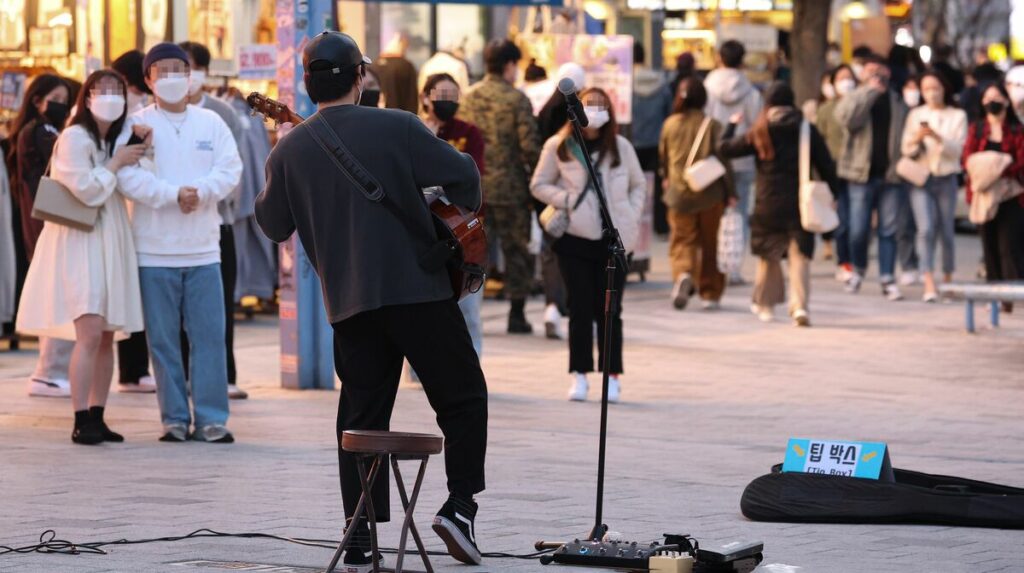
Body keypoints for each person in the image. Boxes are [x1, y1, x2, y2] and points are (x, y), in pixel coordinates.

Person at [255, 32, 488, 569]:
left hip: (351, 302)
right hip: (420, 292)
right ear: (359, 77)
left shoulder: (290, 148)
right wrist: (444, 213)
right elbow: (465, 175)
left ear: (308, 83)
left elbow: (272, 224)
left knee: (361, 419)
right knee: (461, 396)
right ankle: (459, 507)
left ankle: (359, 532)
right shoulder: (399, 125)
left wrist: (279, 155)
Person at [116, 42, 242, 444]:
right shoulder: (135, 125)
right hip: (153, 251)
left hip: (204, 249)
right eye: (162, 70)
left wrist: (200, 192)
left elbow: (231, 168)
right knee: (164, 341)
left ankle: (211, 418)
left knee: (209, 338)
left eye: (179, 69)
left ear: (190, 76)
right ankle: (173, 418)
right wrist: (173, 195)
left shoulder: (211, 123)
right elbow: (128, 177)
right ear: (148, 78)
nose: (172, 77)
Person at [16, 70, 147, 444]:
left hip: (108, 237)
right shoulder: (74, 137)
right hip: (80, 239)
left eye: (117, 91)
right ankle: (79, 417)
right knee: (89, 331)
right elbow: (85, 191)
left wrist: (129, 153)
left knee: (106, 334)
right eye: (101, 90)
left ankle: (97, 414)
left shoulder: (114, 140)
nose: (110, 97)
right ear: (86, 97)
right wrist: (117, 163)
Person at [531, 87, 645, 403]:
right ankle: (579, 375)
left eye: (600, 105)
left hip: (614, 239)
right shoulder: (560, 145)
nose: (594, 111)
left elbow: (638, 184)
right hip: (575, 240)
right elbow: (538, 184)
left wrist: (629, 215)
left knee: (610, 311)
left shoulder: (620, 146)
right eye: (588, 105)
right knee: (580, 309)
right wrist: (566, 200)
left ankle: (612, 376)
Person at [720, 82, 839, 327]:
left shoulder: (760, 129)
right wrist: (834, 194)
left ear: (768, 104)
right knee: (800, 256)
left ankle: (765, 305)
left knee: (768, 256)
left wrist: (732, 125)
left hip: (767, 202)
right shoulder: (806, 128)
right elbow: (826, 165)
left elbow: (724, 149)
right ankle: (800, 307)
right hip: (799, 204)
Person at [179, 41, 247, 400]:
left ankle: (226, 374)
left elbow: (234, 168)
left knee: (220, 302)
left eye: (190, 68)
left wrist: (205, 194)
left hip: (218, 222)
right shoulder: (153, 114)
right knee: (175, 309)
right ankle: (181, 378)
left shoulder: (224, 113)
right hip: (171, 223)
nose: (184, 78)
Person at [461, 39, 542, 334]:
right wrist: (537, 181)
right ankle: (517, 314)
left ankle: (470, 308)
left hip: (476, 189)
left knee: (475, 251)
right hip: (511, 189)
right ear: (509, 65)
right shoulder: (517, 100)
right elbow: (530, 147)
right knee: (516, 251)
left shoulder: (469, 97)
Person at [8, 73, 76, 397]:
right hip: (48, 219)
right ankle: (49, 371)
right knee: (60, 296)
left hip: (45, 218)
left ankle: (52, 370)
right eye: (58, 98)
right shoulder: (40, 132)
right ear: (38, 100)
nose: (64, 104)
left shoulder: (35, 131)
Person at [834, 54, 910, 301]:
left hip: (890, 176)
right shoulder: (855, 97)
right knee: (857, 230)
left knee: (888, 230)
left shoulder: (897, 101)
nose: (876, 74)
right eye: (870, 70)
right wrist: (868, 92)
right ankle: (858, 269)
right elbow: (846, 120)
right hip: (859, 175)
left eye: (880, 70)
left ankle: (887, 277)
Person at [420, 72, 486, 356]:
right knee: (422, 310)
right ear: (425, 98)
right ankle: (418, 369)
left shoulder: (468, 132)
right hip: (424, 230)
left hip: (462, 230)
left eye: (452, 96)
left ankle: (473, 363)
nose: (447, 102)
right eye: (441, 96)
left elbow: (473, 178)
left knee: (468, 308)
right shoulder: (413, 130)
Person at [660, 76, 735, 311]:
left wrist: (667, 178)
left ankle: (683, 273)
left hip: (679, 194)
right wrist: (731, 192)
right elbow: (724, 160)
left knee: (682, 239)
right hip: (709, 194)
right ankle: (710, 292)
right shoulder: (712, 125)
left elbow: (663, 157)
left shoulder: (670, 124)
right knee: (710, 244)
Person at [111, 49, 157, 393]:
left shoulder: (132, 115)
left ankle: (134, 368)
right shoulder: (128, 113)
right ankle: (132, 369)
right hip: (122, 214)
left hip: (126, 214)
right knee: (131, 294)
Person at [900, 71, 967, 302]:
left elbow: (959, 150)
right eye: (926, 88)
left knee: (946, 231)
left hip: (946, 177)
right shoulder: (915, 114)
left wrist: (937, 137)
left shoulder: (957, 115)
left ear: (944, 88)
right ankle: (928, 278)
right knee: (925, 229)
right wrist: (918, 138)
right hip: (921, 178)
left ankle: (947, 279)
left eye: (935, 87)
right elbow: (905, 149)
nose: (931, 93)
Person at [704, 40, 763, 285]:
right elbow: (756, 126)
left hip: (714, 159)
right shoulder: (751, 92)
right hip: (743, 159)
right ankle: (734, 269)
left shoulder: (707, 87)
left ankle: (715, 265)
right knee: (739, 214)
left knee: (715, 213)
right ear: (742, 60)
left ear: (719, 57)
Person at [963, 83, 1024, 296]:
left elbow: (1020, 161)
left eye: (997, 97)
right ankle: (994, 295)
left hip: (1011, 196)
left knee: (1010, 246)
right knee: (989, 247)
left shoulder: (1017, 129)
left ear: (1006, 100)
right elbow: (967, 160)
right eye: (987, 98)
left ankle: (1013, 293)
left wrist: (998, 168)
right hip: (983, 196)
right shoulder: (977, 129)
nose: (992, 102)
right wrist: (997, 165)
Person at [816, 65, 856, 282]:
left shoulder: (862, 106)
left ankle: (855, 259)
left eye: (849, 77)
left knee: (858, 222)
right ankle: (845, 261)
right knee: (843, 220)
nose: (846, 82)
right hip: (835, 172)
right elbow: (818, 143)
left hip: (859, 171)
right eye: (841, 78)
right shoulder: (825, 110)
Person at [632, 42, 674, 237]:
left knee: (632, 185)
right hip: (657, 142)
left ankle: (636, 223)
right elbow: (669, 113)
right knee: (658, 186)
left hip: (632, 142)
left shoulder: (625, 83)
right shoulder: (661, 83)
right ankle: (660, 226)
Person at [375, 33, 419, 113]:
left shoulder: (374, 65)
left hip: (376, 116)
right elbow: (412, 98)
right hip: (401, 117)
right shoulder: (406, 66)